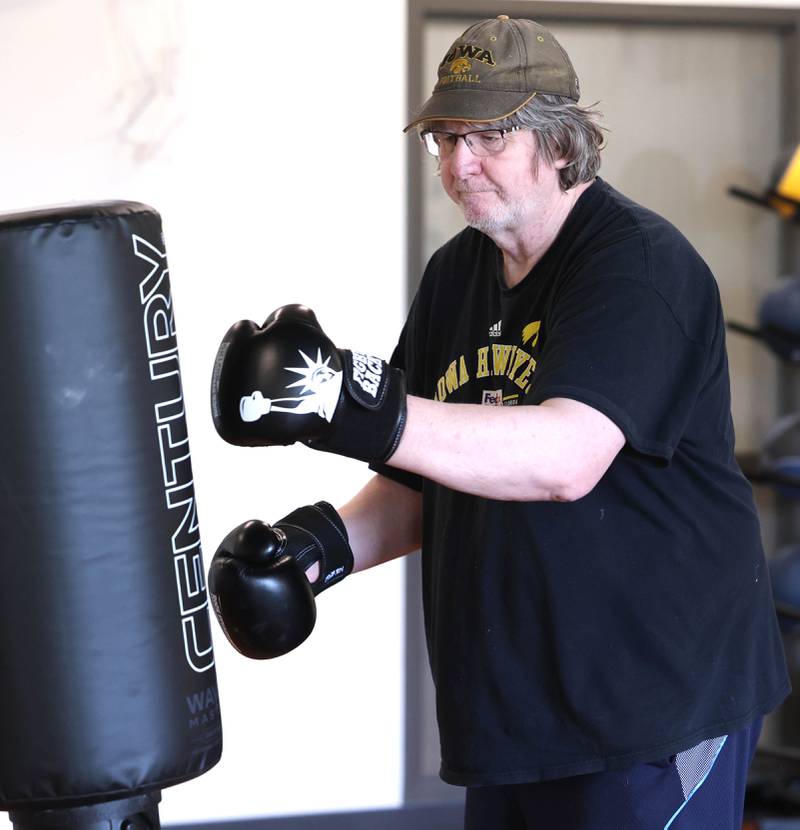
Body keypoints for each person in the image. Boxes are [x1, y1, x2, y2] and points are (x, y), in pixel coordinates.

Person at [209, 15, 790, 830]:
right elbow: (425, 466)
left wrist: (349, 406)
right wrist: (318, 549)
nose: (458, 163)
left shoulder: (639, 267)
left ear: (561, 143)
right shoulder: (457, 275)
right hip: (514, 720)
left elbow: (564, 455)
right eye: (444, 139)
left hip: (653, 711)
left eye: (486, 136)